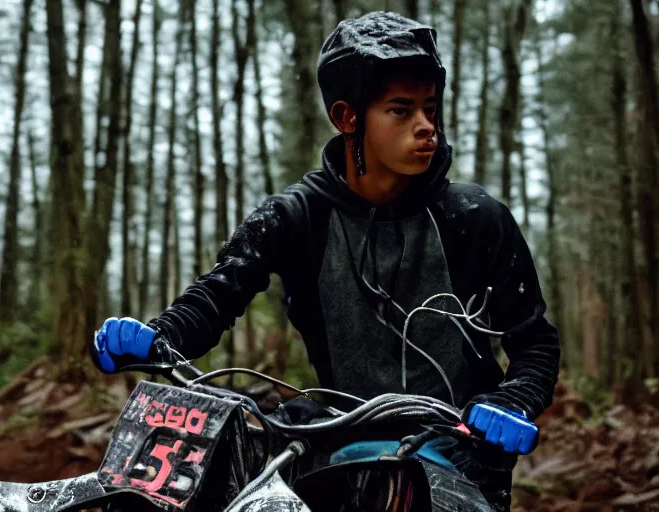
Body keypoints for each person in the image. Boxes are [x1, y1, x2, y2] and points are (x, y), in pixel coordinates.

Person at [90, 11, 560, 511]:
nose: (427, 127)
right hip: (333, 435)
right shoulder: (295, 215)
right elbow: (218, 294)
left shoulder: (475, 216)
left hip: (456, 444)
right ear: (347, 117)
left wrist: (511, 401)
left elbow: (535, 342)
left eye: (430, 107)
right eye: (401, 110)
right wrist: (160, 337)